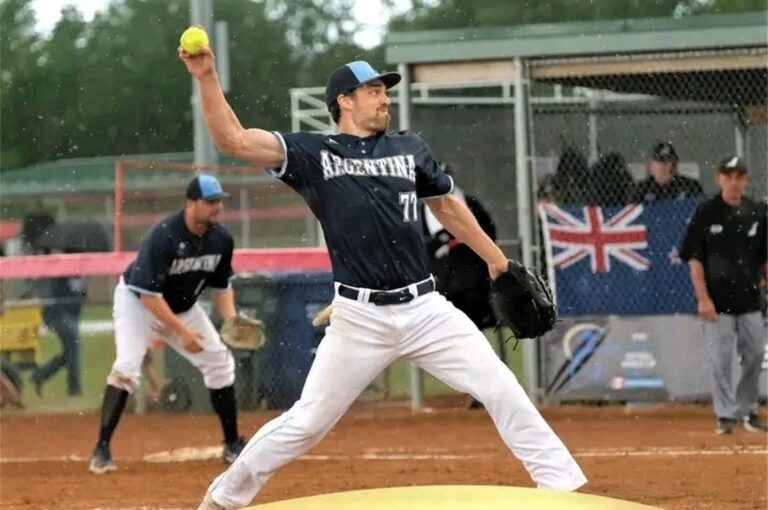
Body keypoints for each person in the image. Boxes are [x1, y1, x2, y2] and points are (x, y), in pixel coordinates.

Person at [180, 47, 586, 510]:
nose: (384, 98)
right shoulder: (316, 154)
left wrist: (497, 263)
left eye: (384, 91)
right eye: (372, 90)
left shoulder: (408, 147)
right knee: (308, 422)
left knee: (499, 385)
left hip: (426, 308)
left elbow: (448, 206)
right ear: (344, 102)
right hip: (360, 318)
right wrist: (208, 75)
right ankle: (223, 499)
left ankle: (561, 488)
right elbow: (232, 139)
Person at [88, 174, 246, 474]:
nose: (217, 208)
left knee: (220, 363)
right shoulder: (164, 236)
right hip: (138, 304)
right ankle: (102, 449)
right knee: (126, 368)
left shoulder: (221, 240)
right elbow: (148, 296)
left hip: (183, 309)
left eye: (219, 202)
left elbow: (222, 285)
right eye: (210, 202)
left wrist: (232, 319)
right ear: (190, 204)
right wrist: (182, 332)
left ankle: (232, 443)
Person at [680, 156, 767, 435]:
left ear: (746, 180)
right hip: (717, 303)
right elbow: (695, 260)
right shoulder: (706, 212)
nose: (733, 182)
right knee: (721, 359)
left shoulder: (757, 212)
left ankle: (747, 409)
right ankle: (726, 414)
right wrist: (703, 298)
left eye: (738, 176)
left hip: (750, 300)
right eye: (728, 176)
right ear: (719, 179)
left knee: (754, 355)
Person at [421, 164, 499, 409]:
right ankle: (467, 384)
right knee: (445, 338)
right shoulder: (420, 210)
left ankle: (485, 390)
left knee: (473, 334)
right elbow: (420, 245)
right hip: (442, 283)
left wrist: (458, 237)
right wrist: (436, 242)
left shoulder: (468, 204)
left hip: (471, 280)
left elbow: (489, 232)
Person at [31, 269, 86, 397]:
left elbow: (81, 295)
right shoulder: (61, 272)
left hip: (71, 315)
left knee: (71, 353)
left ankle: (40, 375)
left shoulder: (81, 275)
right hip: (58, 314)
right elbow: (55, 296)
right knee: (74, 348)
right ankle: (74, 388)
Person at [631, 141, 703, 204]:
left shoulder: (690, 186)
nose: (666, 165)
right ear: (650, 165)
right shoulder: (642, 189)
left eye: (669, 160)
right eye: (660, 161)